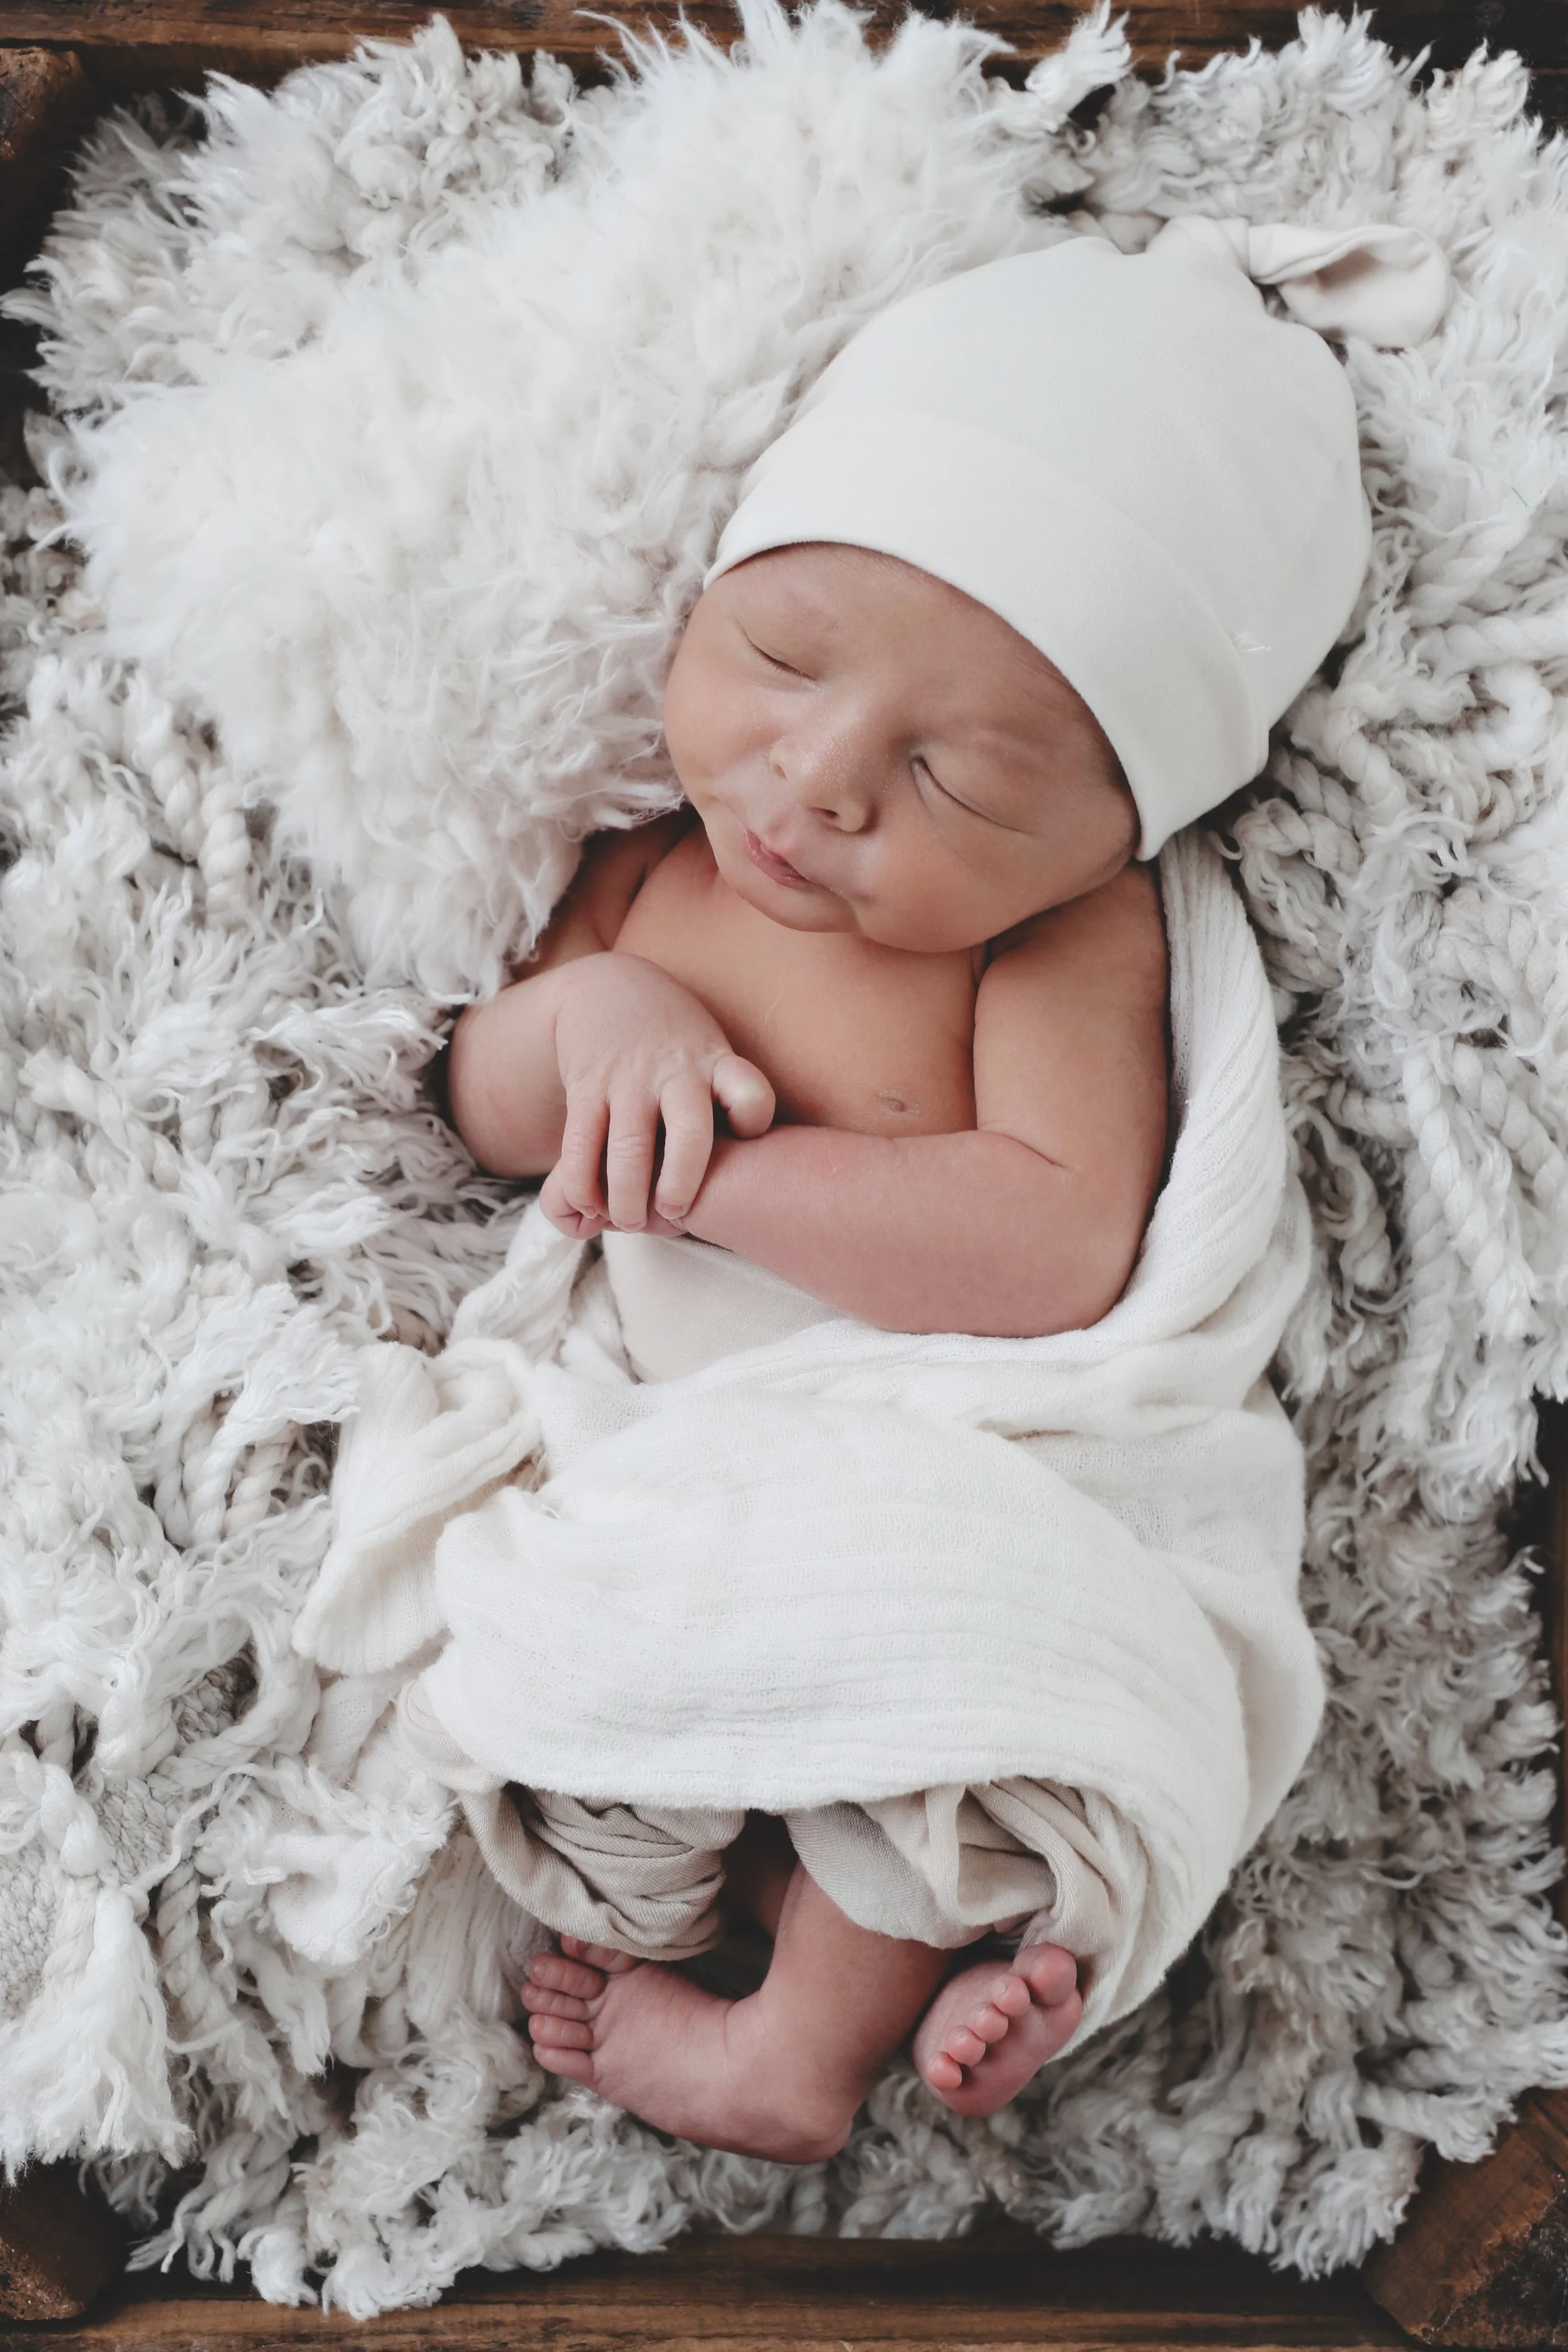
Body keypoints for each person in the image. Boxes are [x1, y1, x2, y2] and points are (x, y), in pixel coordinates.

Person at [437, 220, 1448, 2160]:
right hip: (687, 1457)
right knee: (585, 1667)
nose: (809, 779)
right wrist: (600, 1017)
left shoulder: (1060, 940)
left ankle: (810, 2028)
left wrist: (717, 1173)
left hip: (958, 1434)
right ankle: (709, 1898)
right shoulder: (650, 867)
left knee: (956, 1656)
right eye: (773, 656)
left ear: (1110, 828)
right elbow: (482, 1107)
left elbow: (1057, 1246)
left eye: (960, 784)